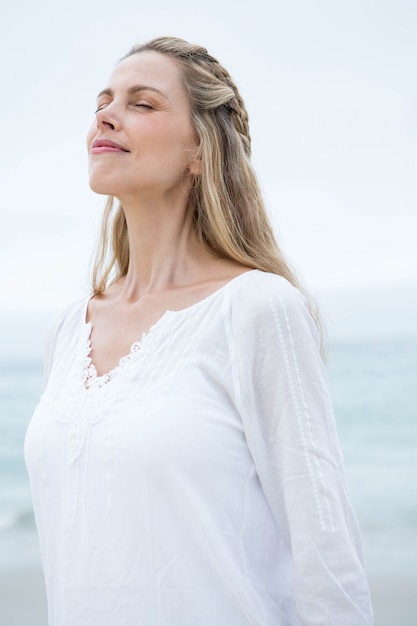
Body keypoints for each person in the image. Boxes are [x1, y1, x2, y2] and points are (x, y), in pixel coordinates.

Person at [25, 36, 373, 626]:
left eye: (142, 103)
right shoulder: (67, 328)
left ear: (200, 150)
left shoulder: (257, 309)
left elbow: (326, 551)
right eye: (103, 100)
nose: (105, 114)